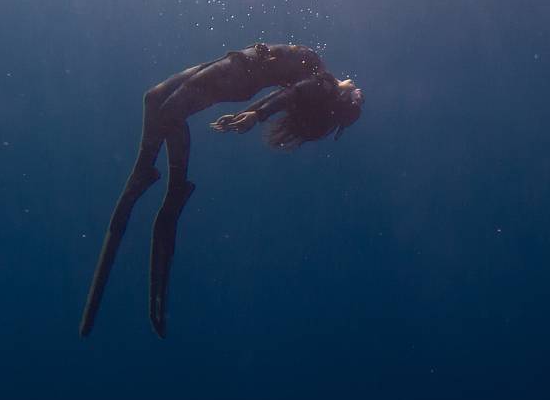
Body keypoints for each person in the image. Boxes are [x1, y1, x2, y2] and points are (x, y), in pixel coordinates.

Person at [79, 42, 364, 338]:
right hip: (239, 67)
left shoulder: (325, 85)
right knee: (154, 99)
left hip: (239, 74)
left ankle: (164, 183)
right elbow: (290, 91)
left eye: (356, 98)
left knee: (167, 111)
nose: (356, 90)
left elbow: (291, 93)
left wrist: (256, 115)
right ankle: (156, 177)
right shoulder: (323, 80)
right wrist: (255, 111)